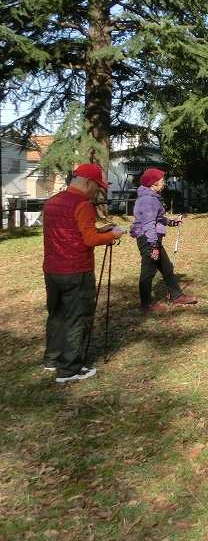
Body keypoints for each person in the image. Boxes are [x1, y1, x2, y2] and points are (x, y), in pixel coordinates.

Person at [42, 163, 124, 383]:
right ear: (87, 182)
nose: (97, 191)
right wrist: (112, 235)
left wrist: (100, 230)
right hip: (76, 270)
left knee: (57, 314)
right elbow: (89, 240)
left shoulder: (52, 202)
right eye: (97, 187)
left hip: (52, 269)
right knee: (77, 318)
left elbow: (75, 232)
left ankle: (52, 359)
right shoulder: (82, 204)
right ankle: (69, 370)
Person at [129, 168, 196, 313]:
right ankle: (146, 305)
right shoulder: (148, 200)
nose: (163, 184)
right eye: (161, 181)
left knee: (166, 268)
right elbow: (148, 224)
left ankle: (176, 296)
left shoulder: (151, 197)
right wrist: (153, 245)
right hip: (148, 239)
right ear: (153, 184)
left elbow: (157, 219)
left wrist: (172, 222)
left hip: (152, 239)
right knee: (148, 271)